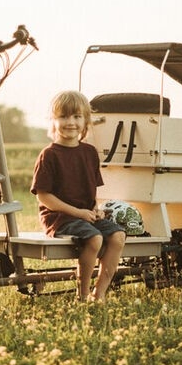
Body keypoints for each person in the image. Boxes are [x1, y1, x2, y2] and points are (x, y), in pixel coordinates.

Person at [31, 90, 125, 301]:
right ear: (53, 121)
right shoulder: (49, 155)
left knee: (118, 237)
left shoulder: (90, 153)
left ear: (85, 122)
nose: (70, 122)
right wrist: (78, 213)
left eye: (76, 116)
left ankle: (98, 294)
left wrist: (94, 210)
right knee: (94, 238)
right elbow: (44, 197)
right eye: (63, 116)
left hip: (85, 215)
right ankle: (82, 296)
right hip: (60, 218)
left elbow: (91, 191)